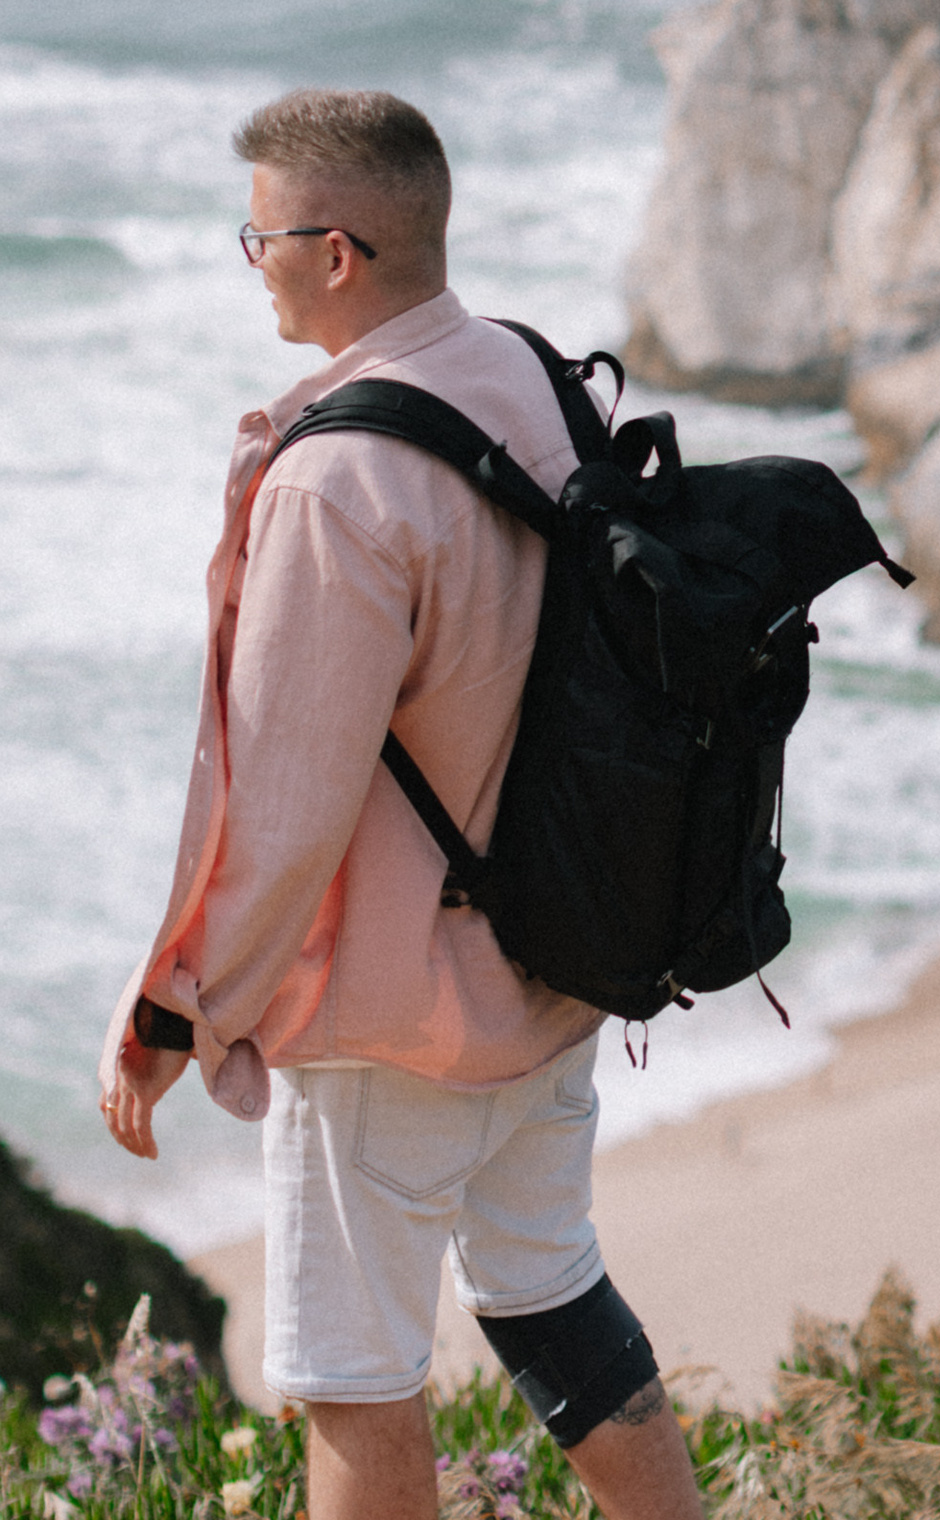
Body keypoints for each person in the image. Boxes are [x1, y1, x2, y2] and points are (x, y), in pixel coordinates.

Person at [98, 88, 701, 1520]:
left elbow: (288, 811)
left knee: (352, 1382)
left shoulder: (337, 482)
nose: (254, 263)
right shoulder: (527, 378)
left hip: (394, 1024)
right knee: (556, 1305)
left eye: (259, 239)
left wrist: (182, 1007)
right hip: (557, 959)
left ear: (339, 251)